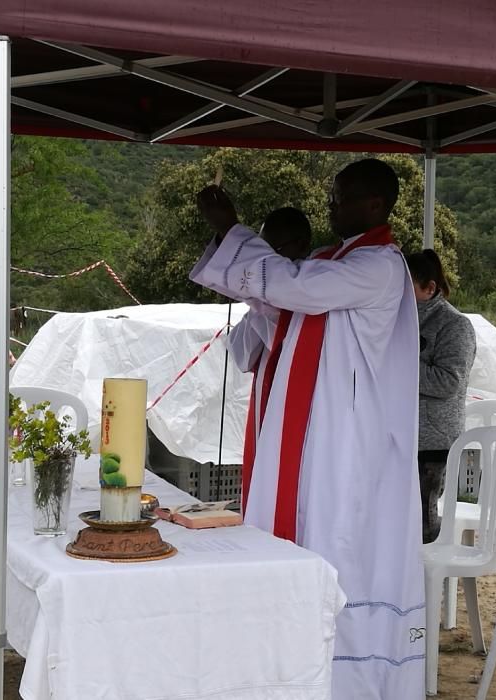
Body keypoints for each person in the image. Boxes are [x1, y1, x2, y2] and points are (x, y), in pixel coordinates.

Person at [191, 159, 424, 700]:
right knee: (315, 531)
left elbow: (298, 286)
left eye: (341, 197)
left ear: (374, 205)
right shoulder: (336, 261)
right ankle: (296, 663)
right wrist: (253, 283)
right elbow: (285, 300)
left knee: (341, 543)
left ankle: (348, 678)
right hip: (323, 431)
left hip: (352, 439)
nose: (330, 207)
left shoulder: (379, 265)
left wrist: (231, 231)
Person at [227, 207, 313, 511]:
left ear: (301, 245)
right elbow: (241, 355)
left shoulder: (309, 291)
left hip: (302, 407)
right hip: (267, 398)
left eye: (271, 250)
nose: (265, 260)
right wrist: (259, 304)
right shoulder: (267, 297)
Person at [405, 249, 476, 543]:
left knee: (422, 521)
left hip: (432, 443)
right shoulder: (395, 321)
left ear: (430, 288)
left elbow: (449, 381)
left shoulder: (455, 325)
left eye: (405, 288)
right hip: (398, 437)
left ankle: (425, 585)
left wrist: (399, 365)